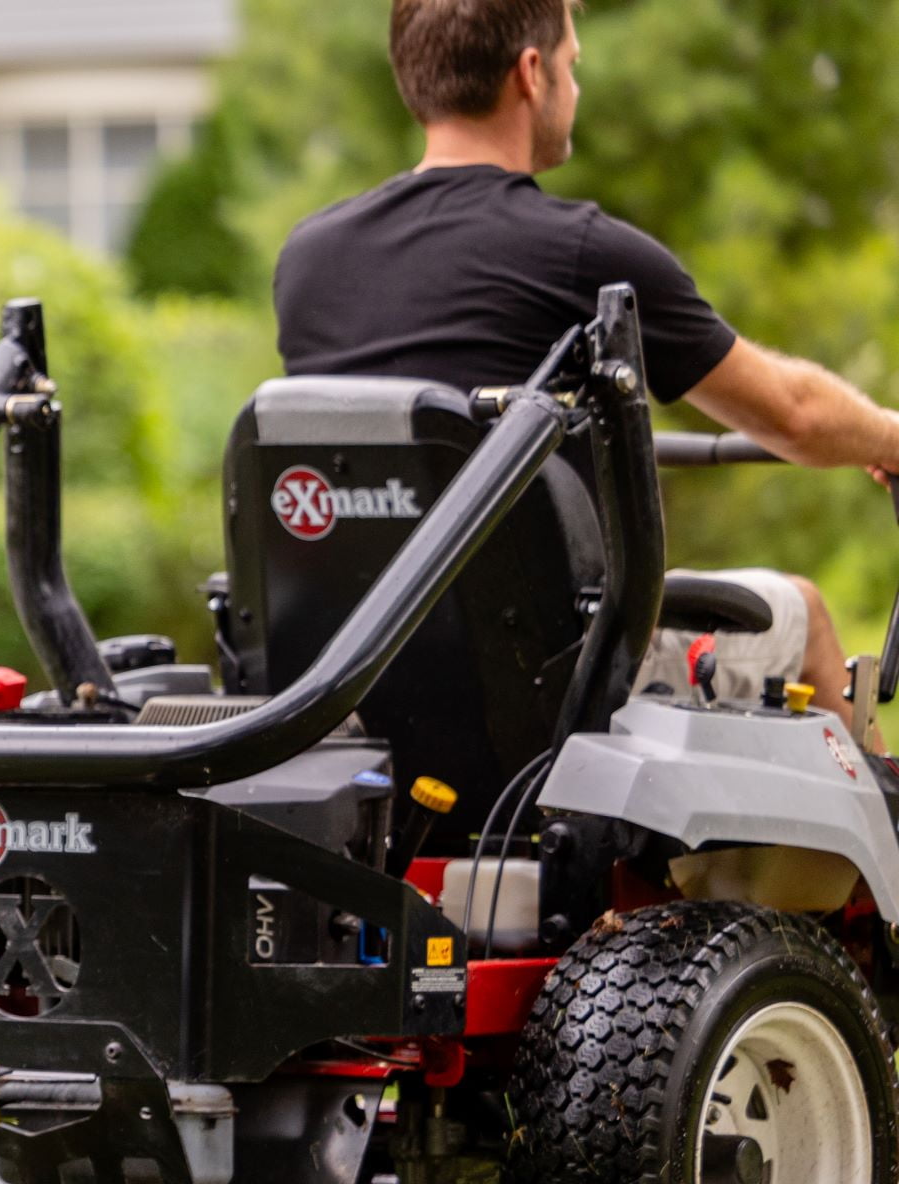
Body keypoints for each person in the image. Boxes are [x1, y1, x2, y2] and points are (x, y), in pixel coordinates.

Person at [271, 0, 899, 745]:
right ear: (531, 74)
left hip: (355, 671)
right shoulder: (585, 256)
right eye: (571, 64)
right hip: (549, 677)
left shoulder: (309, 260)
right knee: (804, 616)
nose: (575, 85)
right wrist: (887, 437)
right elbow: (792, 413)